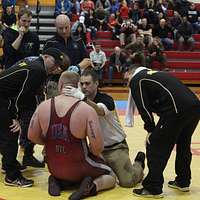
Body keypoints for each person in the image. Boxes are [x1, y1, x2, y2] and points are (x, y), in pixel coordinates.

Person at [28, 71, 116, 199]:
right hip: (79, 167)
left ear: (60, 86)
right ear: (78, 87)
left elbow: (31, 136)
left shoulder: (43, 106)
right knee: (110, 175)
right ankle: (90, 188)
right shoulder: (87, 110)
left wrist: (50, 143)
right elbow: (97, 149)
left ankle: (57, 180)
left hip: (54, 166)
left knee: (63, 166)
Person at [123, 64, 200, 198]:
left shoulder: (137, 79)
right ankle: (183, 181)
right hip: (194, 106)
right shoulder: (153, 74)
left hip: (176, 110)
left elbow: (143, 108)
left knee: (155, 144)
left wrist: (150, 129)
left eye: (126, 79)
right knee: (183, 143)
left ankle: (153, 187)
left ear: (131, 72)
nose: (126, 83)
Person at [63, 68, 145, 188]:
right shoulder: (79, 101)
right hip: (95, 150)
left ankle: (139, 163)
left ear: (96, 83)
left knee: (127, 182)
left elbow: (99, 111)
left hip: (115, 148)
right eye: (82, 84)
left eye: (88, 83)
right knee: (80, 177)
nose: (84, 86)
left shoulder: (106, 99)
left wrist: (83, 98)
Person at [0, 47, 68, 187]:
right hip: (3, 98)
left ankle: (9, 164)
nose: (57, 68)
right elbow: (22, 97)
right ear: (46, 57)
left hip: (4, 96)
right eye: (55, 63)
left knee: (6, 132)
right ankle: (12, 176)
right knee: (11, 132)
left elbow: (26, 95)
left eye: (59, 67)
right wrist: (16, 117)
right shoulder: (38, 70)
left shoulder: (34, 62)